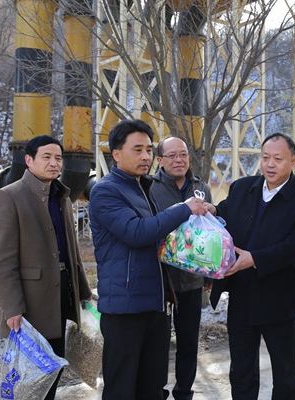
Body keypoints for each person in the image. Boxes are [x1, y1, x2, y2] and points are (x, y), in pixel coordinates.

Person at [89, 119, 208, 400]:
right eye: (137, 149)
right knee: (122, 389)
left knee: (152, 387)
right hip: (125, 306)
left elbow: (159, 237)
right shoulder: (106, 190)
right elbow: (137, 232)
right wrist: (183, 209)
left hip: (154, 303)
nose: (145, 156)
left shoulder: (143, 187)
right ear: (116, 154)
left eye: (148, 150)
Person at [209, 133, 295, 400]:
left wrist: (254, 259)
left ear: (293, 162)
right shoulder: (242, 187)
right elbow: (225, 212)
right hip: (241, 294)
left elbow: (294, 246)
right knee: (241, 370)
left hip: (278, 297)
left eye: (278, 159)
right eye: (265, 158)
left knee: (285, 372)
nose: (270, 164)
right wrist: (211, 211)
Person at [0, 135, 93, 400]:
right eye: (46, 157)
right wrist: (12, 307)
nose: (54, 163)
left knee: (53, 368)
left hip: (60, 294)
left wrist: (83, 291)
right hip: (30, 303)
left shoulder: (62, 196)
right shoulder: (8, 196)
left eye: (58, 158)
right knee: (31, 377)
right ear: (28, 160)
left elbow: (72, 250)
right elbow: (2, 260)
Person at [151, 137, 212, 400]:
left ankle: (184, 392)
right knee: (158, 344)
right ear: (160, 160)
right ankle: (157, 392)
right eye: (172, 155)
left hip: (192, 279)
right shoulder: (150, 188)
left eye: (183, 155)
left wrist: (208, 272)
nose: (179, 160)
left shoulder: (201, 188)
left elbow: (209, 233)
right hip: (160, 280)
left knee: (189, 341)